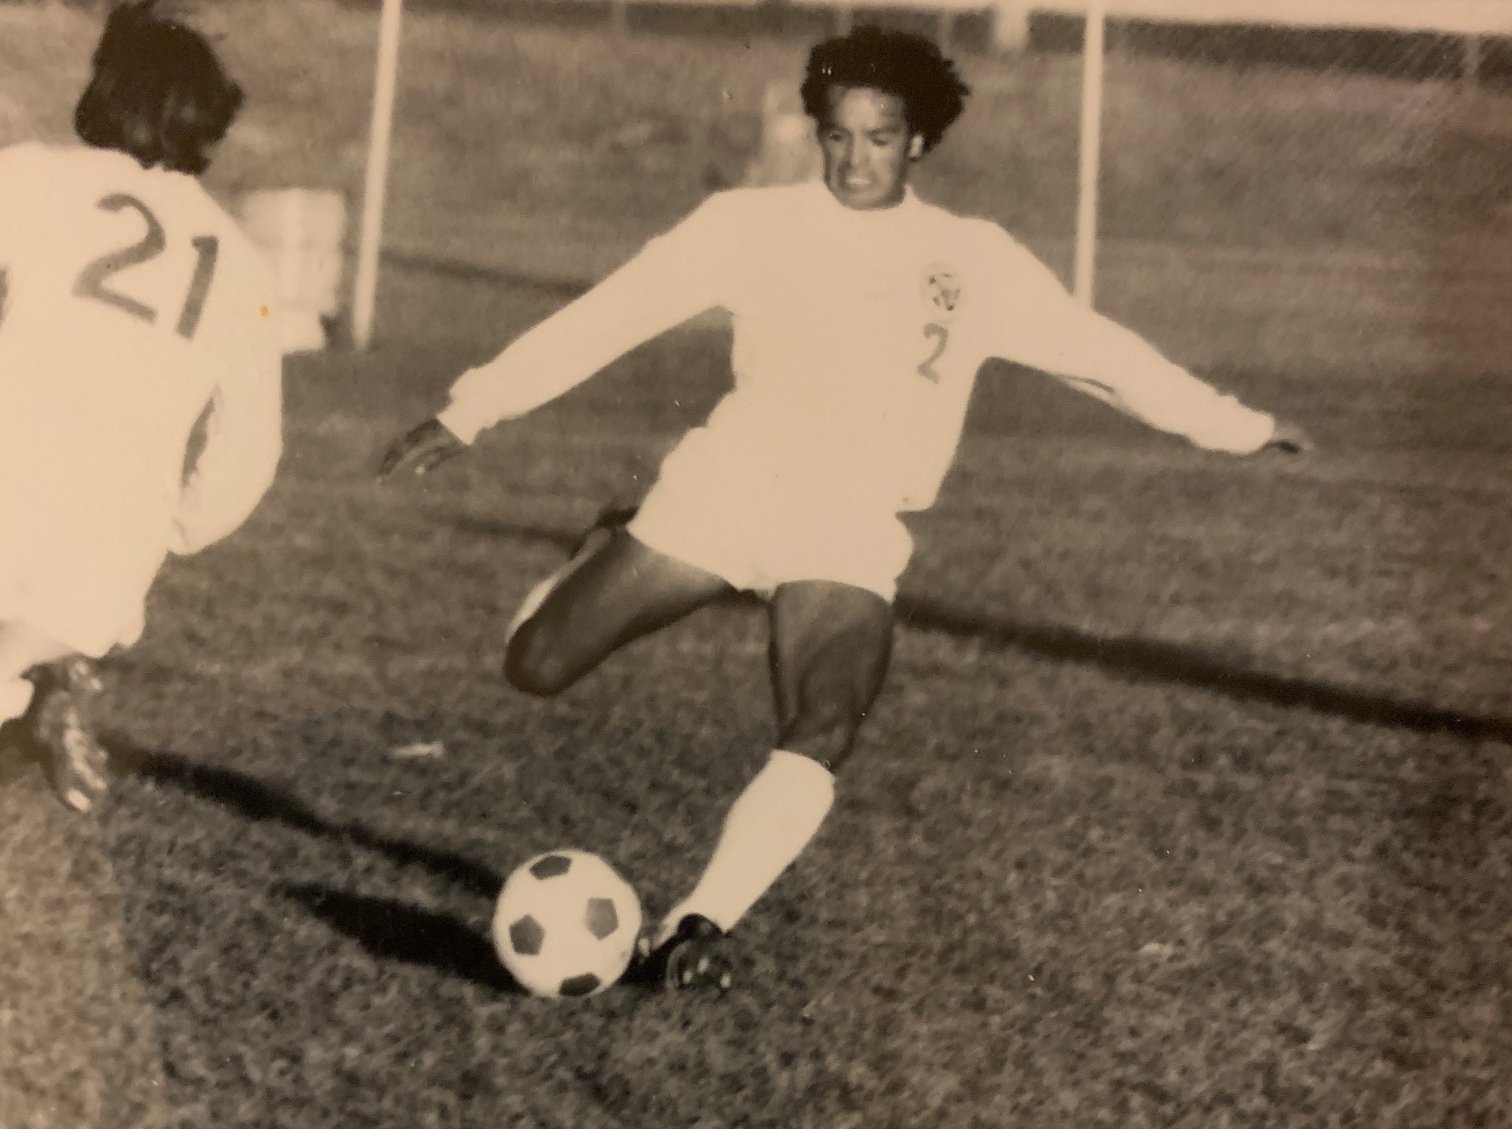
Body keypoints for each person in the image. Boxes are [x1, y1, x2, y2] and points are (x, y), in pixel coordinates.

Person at [380, 26, 1309, 990]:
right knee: (535, 666)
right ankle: (608, 541)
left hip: (853, 522)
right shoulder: (748, 225)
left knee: (826, 719)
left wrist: (1236, 427)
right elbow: (611, 314)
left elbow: (1101, 356)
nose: (853, 159)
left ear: (919, 141)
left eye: (878, 137)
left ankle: (699, 923)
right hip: (731, 487)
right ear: (815, 132)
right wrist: (473, 409)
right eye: (836, 135)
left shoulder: (972, 256)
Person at [0, 1, 284, 813]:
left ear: (104, 94)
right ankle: (40, 683)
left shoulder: (25, 175)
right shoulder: (245, 265)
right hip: (100, 574)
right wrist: (176, 526)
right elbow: (248, 456)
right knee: (25, 638)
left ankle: (30, 698)